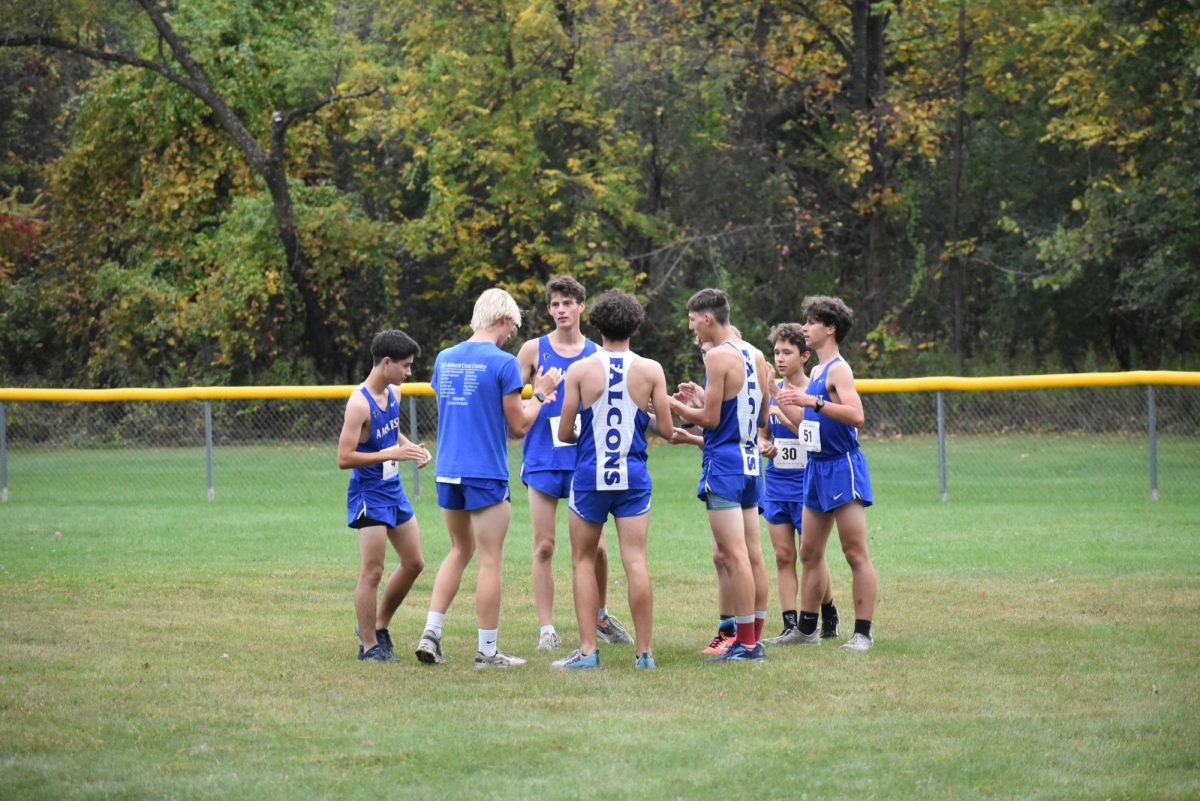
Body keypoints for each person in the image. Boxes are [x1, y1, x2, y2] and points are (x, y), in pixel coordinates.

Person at [414, 288, 563, 668]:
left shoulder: (445, 358)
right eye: (511, 326)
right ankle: (488, 650)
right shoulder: (503, 363)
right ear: (501, 320)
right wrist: (541, 394)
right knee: (489, 561)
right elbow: (519, 425)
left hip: (448, 470)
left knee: (459, 550)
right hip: (485, 472)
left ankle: (431, 632)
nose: (510, 334)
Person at [550, 290, 675, 670]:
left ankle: (588, 652)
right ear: (635, 324)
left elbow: (567, 431)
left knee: (583, 561)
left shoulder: (580, 370)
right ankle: (645, 653)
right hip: (633, 476)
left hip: (590, 476)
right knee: (635, 561)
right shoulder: (651, 370)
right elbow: (667, 429)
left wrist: (581, 435)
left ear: (597, 325)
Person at [516, 276, 632, 651]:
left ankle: (600, 615)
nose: (561, 310)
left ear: (582, 307)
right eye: (555, 304)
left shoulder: (598, 352)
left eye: (568, 303)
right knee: (545, 546)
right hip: (544, 459)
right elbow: (514, 409)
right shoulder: (533, 350)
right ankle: (546, 629)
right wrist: (538, 393)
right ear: (549, 310)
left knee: (596, 549)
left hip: (586, 459)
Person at [668, 289, 771, 662]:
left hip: (724, 463)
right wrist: (702, 401)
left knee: (733, 555)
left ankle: (745, 644)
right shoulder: (756, 354)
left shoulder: (716, 356)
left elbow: (711, 421)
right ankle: (752, 635)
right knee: (753, 554)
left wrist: (671, 404)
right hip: (749, 462)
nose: (692, 327)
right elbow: (761, 418)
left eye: (693, 320)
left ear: (707, 318)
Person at [774, 295, 878, 651]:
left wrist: (813, 401)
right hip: (816, 468)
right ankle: (807, 630)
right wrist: (784, 405)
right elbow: (810, 425)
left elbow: (856, 415)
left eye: (811, 321)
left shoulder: (838, 369)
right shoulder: (816, 371)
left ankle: (862, 633)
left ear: (829, 328)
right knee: (809, 552)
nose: (805, 327)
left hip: (842, 467)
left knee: (854, 553)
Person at [337, 329, 432, 662]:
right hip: (369, 493)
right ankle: (368, 646)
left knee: (414, 562)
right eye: (405, 366)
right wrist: (391, 453)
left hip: (394, 490)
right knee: (372, 572)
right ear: (386, 362)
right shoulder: (358, 403)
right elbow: (344, 457)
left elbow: (390, 431)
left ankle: (378, 625)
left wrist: (411, 449)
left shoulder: (394, 392)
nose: (409, 372)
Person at [757, 323, 840, 644]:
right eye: (776, 352)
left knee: (812, 555)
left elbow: (811, 433)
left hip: (808, 484)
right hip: (777, 484)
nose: (779, 359)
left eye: (787, 352)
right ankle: (790, 623)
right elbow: (764, 431)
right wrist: (765, 446)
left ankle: (828, 608)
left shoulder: (813, 390)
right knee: (782, 555)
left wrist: (780, 397)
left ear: (804, 356)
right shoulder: (771, 391)